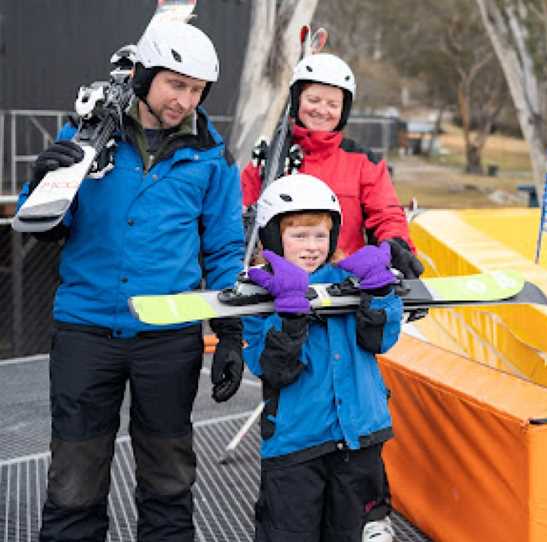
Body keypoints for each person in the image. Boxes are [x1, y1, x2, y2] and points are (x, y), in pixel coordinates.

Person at [17, 21, 246, 541]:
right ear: (144, 75)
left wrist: (231, 332)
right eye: (175, 84)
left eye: (196, 90)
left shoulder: (212, 155)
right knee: (74, 480)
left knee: (168, 477)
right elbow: (47, 230)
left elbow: (225, 248)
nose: (184, 100)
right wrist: (42, 182)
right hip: (87, 329)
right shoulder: (86, 135)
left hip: (168, 334)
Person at [242, 174, 402, 541]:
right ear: (271, 237)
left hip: (360, 436)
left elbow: (380, 340)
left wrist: (378, 295)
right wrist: (290, 317)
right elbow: (274, 369)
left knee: (348, 534)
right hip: (297, 444)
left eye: (320, 235)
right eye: (298, 235)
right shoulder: (258, 292)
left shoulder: (349, 280)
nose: (312, 246)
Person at [240, 52, 424, 281]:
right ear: (297, 101)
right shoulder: (271, 159)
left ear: (343, 110)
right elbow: (240, 213)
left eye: (332, 104)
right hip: (278, 286)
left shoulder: (362, 161)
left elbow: (385, 214)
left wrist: (395, 244)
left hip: (343, 285)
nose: (322, 110)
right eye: (313, 100)